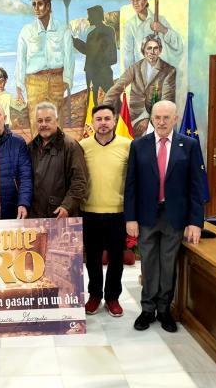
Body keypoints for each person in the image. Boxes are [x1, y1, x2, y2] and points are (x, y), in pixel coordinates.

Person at [124, 100, 204, 333]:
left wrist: (195, 222)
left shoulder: (189, 145)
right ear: (152, 119)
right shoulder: (139, 145)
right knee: (149, 264)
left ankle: (164, 309)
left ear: (175, 119)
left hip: (174, 216)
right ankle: (147, 309)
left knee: (168, 264)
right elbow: (131, 185)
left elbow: (196, 186)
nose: (161, 122)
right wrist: (130, 218)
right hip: (146, 215)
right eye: (157, 117)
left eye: (166, 117)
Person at [80, 105, 131, 317]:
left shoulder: (127, 145)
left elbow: (133, 180)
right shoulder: (82, 146)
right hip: (89, 211)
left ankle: (112, 297)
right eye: (99, 119)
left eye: (107, 118)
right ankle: (94, 295)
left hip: (118, 212)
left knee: (116, 258)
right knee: (92, 258)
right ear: (92, 122)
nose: (103, 123)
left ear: (114, 120)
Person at [16, 0, 75, 137]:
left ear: (48, 6)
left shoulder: (63, 29)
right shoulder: (26, 31)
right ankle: (37, 152)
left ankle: (57, 151)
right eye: (34, 4)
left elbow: (69, 57)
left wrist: (67, 80)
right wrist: (19, 85)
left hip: (57, 79)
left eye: (40, 4)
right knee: (36, 120)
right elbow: (21, 59)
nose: (36, 8)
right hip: (34, 81)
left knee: (56, 120)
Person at [102, 34, 176, 137]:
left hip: (156, 117)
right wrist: (104, 110)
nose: (152, 52)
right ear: (143, 50)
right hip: (133, 115)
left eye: (155, 48)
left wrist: (148, 120)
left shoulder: (169, 71)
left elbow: (166, 102)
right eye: (149, 48)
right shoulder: (135, 68)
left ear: (160, 51)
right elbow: (116, 88)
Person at [27, 102, 87, 219]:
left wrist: (67, 206)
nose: (43, 124)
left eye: (48, 120)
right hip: (35, 216)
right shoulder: (31, 147)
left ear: (57, 121)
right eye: (40, 121)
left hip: (60, 215)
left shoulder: (71, 146)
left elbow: (79, 181)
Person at [123, 0, 183, 69]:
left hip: (161, 71)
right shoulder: (130, 25)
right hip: (142, 72)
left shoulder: (160, 19)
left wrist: (163, 29)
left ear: (145, 0)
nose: (135, 3)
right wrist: (131, 74)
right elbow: (128, 54)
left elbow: (178, 44)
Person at [72, 5, 117, 103]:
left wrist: (100, 64)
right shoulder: (91, 34)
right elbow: (87, 50)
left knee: (112, 98)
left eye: (90, 16)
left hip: (102, 72)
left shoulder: (108, 31)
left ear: (96, 16)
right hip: (91, 72)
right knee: (92, 101)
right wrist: (73, 40)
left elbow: (111, 54)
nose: (88, 19)